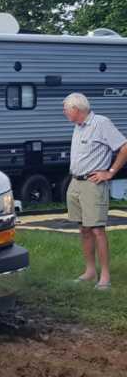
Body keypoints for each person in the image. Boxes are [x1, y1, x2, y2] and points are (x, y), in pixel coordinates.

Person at [63, 92, 127, 289]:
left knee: (97, 230)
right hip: (75, 182)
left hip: (93, 184)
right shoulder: (78, 126)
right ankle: (90, 271)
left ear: (77, 109)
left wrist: (110, 172)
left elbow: (124, 147)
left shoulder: (101, 123)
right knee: (83, 229)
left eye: (66, 109)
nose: (65, 113)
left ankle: (105, 277)